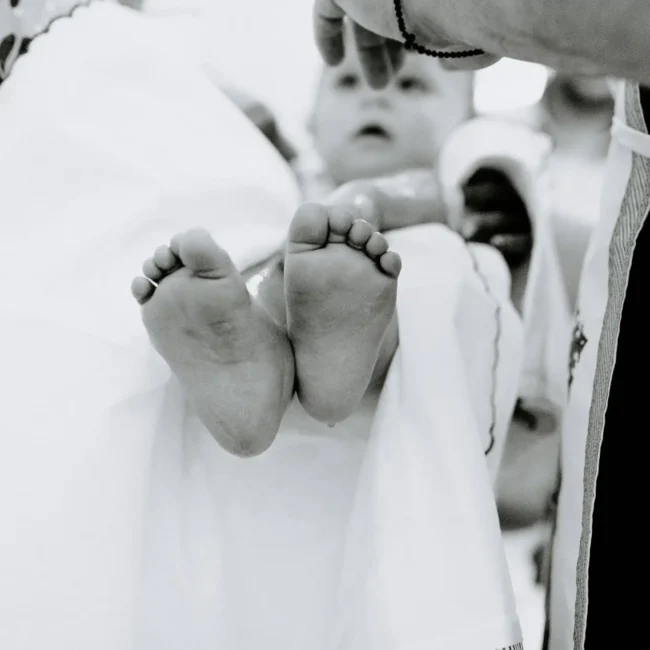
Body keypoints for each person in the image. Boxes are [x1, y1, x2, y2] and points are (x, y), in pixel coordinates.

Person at [310, 1, 650, 649]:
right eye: (345, 84)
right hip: (308, 492)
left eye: (411, 85)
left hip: (485, 478)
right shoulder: (293, 190)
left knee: (449, 280)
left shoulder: (492, 188)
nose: (373, 98)